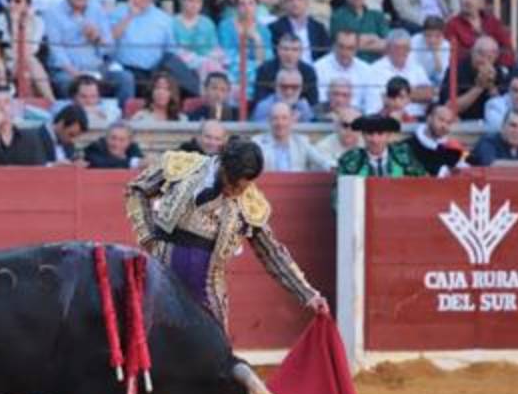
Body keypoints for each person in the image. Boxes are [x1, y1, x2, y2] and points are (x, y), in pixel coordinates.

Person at [126, 138, 329, 332]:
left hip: (207, 292)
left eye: (244, 186)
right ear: (222, 166)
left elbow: (272, 253)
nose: (238, 192)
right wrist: (147, 235)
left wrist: (308, 294)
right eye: (234, 185)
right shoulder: (184, 166)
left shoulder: (250, 203)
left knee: (213, 356)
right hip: (161, 277)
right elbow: (137, 189)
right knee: (149, 345)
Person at [250, 102, 333, 172]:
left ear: (291, 120)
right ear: (269, 120)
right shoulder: (257, 143)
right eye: (275, 118)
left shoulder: (301, 142)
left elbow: (322, 162)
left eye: (284, 118)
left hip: (296, 189)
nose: (280, 123)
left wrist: (335, 168)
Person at [0, 88, 47, 164]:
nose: (2, 107)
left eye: (6, 102)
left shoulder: (31, 138)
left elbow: (40, 168)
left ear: (13, 108)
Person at [334, 114, 423, 177]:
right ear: (363, 135)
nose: (375, 140)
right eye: (369, 133)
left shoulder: (403, 156)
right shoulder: (351, 159)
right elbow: (340, 192)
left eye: (380, 134)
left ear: (388, 135)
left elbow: (422, 183)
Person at [401, 103, 463, 175]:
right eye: (441, 120)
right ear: (429, 118)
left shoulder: (452, 149)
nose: (444, 126)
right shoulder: (407, 145)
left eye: (448, 123)